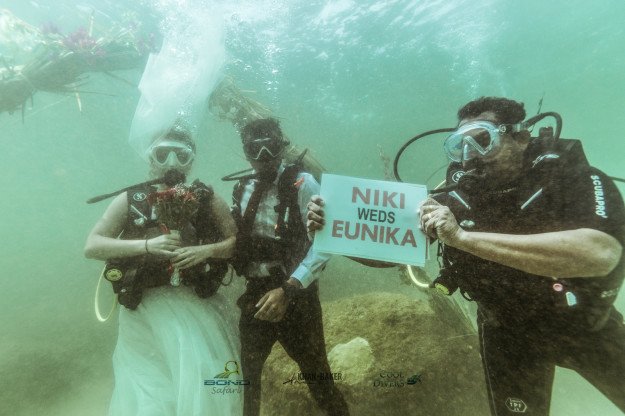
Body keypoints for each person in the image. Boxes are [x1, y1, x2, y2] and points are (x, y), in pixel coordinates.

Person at [307, 97, 625, 415]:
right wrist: (331, 231)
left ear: (520, 137)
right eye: (460, 145)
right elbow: (391, 251)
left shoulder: (571, 176)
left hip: (585, 326)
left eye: (482, 140)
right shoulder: (457, 197)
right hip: (508, 334)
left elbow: (600, 253)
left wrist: (463, 239)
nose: (470, 154)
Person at [84, 126, 243, 416]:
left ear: (191, 161)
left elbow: (236, 243)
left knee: (199, 382)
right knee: (148, 390)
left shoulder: (205, 199)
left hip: (194, 306)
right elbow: (92, 246)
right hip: (140, 311)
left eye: (181, 155)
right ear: (150, 158)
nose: (171, 163)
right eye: (162, 154)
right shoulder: (132, 200)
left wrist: (205, 251)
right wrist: (147, 245)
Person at [229, 118, 349, 416]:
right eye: (255, 150)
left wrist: (289, 289)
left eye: (270, 147)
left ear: (282, 147)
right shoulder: (241, 188)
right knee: (247, 384)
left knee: (319, 379)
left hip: (298, 296)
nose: (264, 157)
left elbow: (324, 244)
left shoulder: (304, 183)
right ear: (245, 153)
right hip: (256, 294)